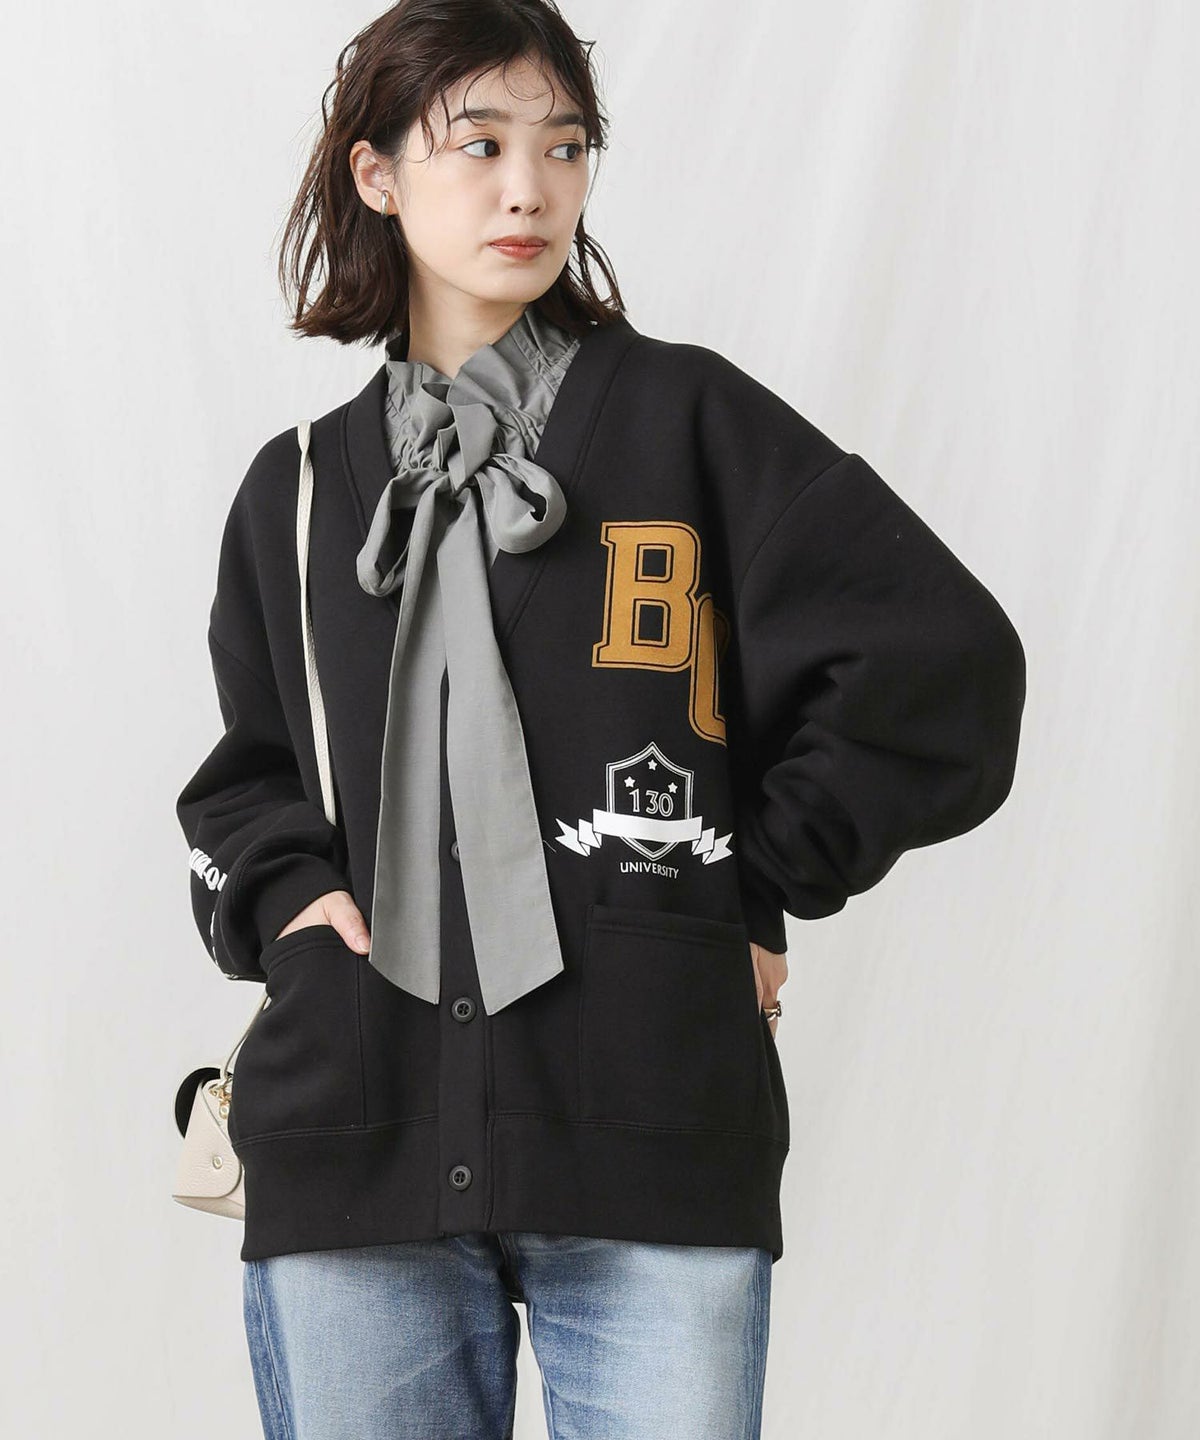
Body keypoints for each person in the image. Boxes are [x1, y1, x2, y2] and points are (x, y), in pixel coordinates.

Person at [175, 2, 1027, 1436]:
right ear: (377, 173)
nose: (530, 189)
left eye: (564, 147)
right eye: (480, 145)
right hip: (358, 1132)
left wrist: (753, 878)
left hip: (650, 1121)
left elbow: (942, 663)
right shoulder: (300, 490)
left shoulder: (690, 423)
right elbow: (246, 780)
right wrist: (291, 908)